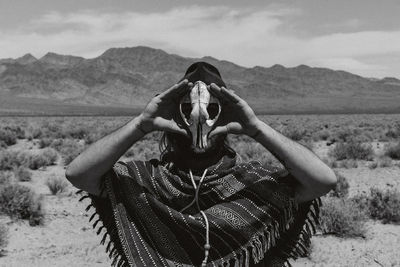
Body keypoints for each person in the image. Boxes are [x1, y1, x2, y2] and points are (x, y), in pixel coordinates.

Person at [66, 62, 337, 267]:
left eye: (213, 111)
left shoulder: (252, 183)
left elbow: (322, 180)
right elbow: (78, 174)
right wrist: (141, 124)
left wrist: (255, 127)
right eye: (187, 110)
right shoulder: (146, 181)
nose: (200, 117)